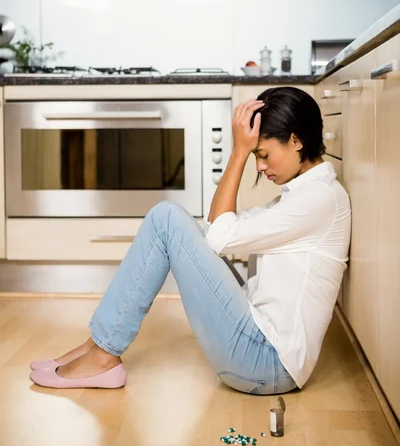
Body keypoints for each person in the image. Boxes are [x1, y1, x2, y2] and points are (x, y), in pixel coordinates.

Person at [30, 87, 351, 393]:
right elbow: (215, 230)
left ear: (295, 140)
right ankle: (96, 345)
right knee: (180, 224)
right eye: (255, 155)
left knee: (166, 220)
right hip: (261, 348)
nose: (260, 166)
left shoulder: (319, 200)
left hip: (268, 363)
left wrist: (239, 151)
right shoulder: (304, 196)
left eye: (263, 154)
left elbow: (221, 235)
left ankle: (102, 354)